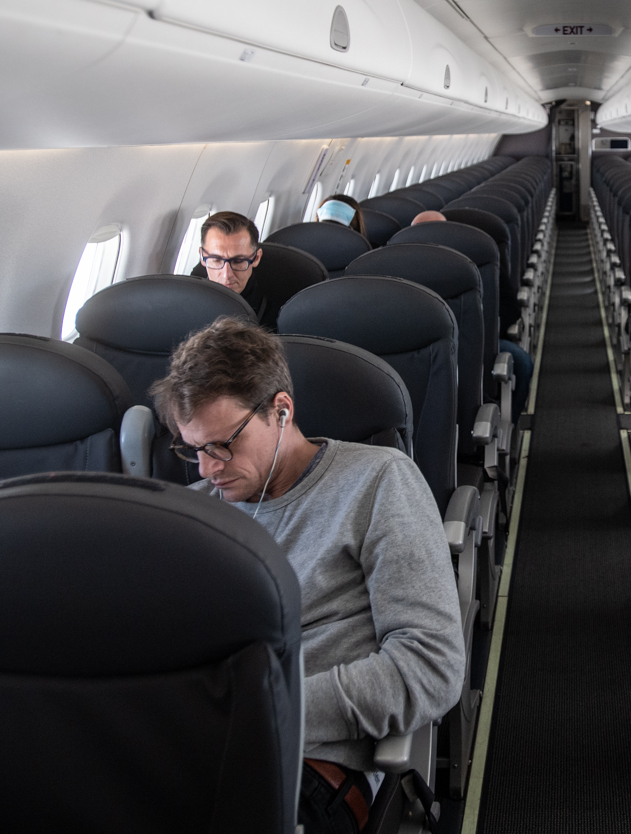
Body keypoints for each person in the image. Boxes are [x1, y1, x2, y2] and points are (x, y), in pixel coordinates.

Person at [150, 318, 465, 832]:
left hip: (304, 765)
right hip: (186, 752)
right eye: (194, 449)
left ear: (281, 409)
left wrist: (268, 713)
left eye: (223, 445)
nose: (207, 470)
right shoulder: (192, 516)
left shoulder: (377, 481)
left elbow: (431, 665)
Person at [400, 211, 534, 407]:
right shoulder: (401, 269)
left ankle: (508, 425)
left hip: (479, 343)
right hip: (422, 349)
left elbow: (510, 308)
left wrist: (481, 333)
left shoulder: (475, 261)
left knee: (522, 363)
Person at [196, 210, 287, 327]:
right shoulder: (186, 302)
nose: (226, 275)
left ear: (256, 258)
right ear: (202, 257)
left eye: (238, 261)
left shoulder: (278, 313)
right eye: (216, 260)